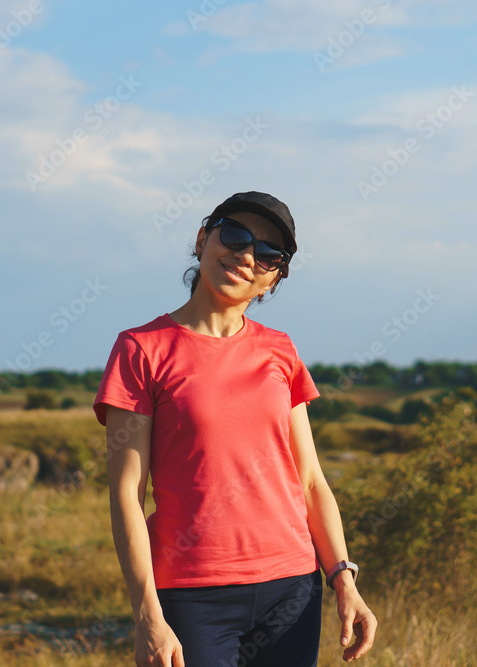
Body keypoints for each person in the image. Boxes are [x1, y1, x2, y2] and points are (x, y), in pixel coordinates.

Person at [92, 192, 377, 666]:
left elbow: (309, 481)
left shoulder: (280, 350)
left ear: (271, 281)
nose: (247, 256)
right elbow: (126, 494)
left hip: (293, 590)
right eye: (236, 235)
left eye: (268, 255)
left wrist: (344, 580)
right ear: (203, 239)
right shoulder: (141, 350)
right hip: (191, 595)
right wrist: (147, 616)